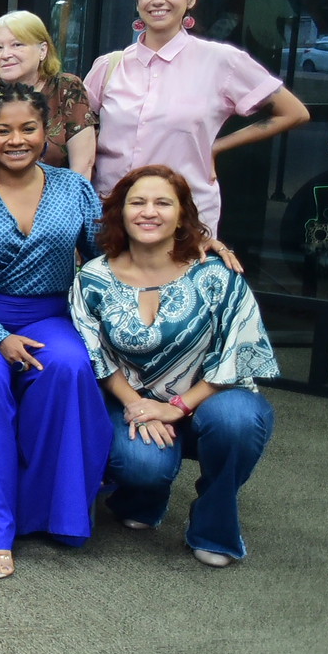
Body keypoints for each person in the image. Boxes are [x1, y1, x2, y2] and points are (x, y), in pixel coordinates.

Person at [0, 81, 110, 579]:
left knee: (68, 366)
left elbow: (107, 259)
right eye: (3, 130)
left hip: (49, 315)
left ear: (45, 130)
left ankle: (50, 511)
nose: (16, 140)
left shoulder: (74, 189)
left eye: (28, 128)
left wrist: (193, 245)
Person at [70, 165, 278, 567]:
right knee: (143, 466)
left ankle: (214, 527)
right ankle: (143, 497)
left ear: (182, 216)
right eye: (138, 202)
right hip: (136, 401)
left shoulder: (217, 273)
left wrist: (178, 407)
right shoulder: (92, 278)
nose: (149, 212)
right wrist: (137, 405)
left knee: (237, 421)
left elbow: (239, 351)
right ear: (120, 213)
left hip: (212, 400)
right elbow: (97, 355)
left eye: (163, 203)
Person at [84, 0, 309, 240]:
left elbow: (294, 112)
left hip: (183, 220)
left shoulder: (221, 62)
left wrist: (216, 147)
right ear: (138, 1)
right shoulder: (110, 66)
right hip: (110, 215)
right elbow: (79, 130)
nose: (158, 0)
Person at [0, 11, 96, 183]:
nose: (5, 55)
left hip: (58, 197)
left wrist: (64, 200)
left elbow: (82, 165)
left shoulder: (66, 88)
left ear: (42, 50)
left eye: (17, 45)